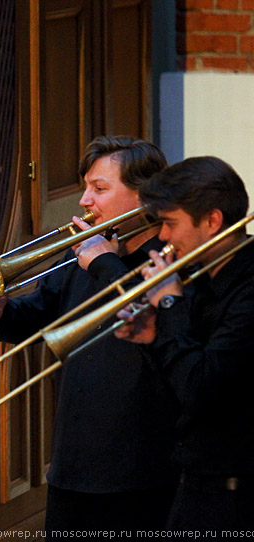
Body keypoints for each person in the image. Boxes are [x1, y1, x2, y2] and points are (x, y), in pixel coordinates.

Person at [0, 136, 179, 538]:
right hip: (72, 462)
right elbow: (34, 315)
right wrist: (0, 311)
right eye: (86, 187)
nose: (85, 201)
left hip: (141, 470)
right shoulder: (83, 254)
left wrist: (104, 263)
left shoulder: (169, 260)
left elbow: (158, 321)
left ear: (145, 196)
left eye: (100, 189)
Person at [115, 156, 254, 535]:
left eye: (170, 223)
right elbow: (179, 392)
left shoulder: (248, 287)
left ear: (212, 221)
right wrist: (152, 339)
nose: (162, 237)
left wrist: (170, 305)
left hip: (237, 499)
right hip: (195, 483)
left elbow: (202, 386)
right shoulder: (198, 279)